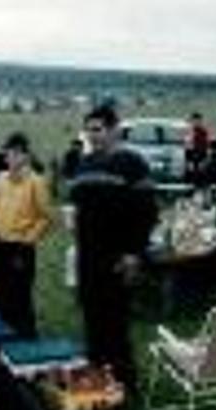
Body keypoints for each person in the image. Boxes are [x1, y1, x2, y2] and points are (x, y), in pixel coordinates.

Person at [68, 106, 158, 395]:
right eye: (89, 130)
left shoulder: (132, 163)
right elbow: (77, 205)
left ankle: (125, 386)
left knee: (115, 326)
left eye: (98, 129)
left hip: (117, 257)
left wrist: (134, 254)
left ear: (114, 130)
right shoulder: (83, 164)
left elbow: (147, 213)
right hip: (87, 256)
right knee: (92, 323)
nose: (93, 135)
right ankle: (98, 383)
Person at [0, 132, 53, 338]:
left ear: (26, 156)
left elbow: (45, 217)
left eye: (16, 154)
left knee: (20, 296)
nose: (11, 159)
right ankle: (3, 336)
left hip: (21, 247)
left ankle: (26, 338)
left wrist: (27, 240)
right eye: (8, 154)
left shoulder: (36, 182)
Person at [184, 112, 215, 185]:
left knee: (202, 172)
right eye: (193, 121)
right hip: (192, 155)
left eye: (197, 121)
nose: (195, 123)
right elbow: (187, 145)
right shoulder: (190, 131)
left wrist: (206, 156)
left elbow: (207, 144)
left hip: (201, 154)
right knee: (191, 171)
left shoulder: (203, 132)